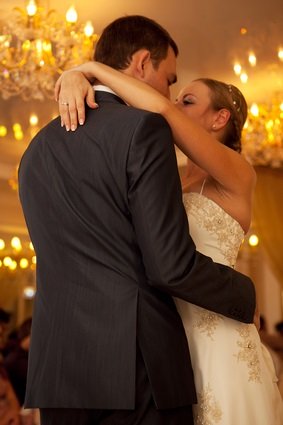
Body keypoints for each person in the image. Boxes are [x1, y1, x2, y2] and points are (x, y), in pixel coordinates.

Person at [18, 15, 257, 425]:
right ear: (143, 63)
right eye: (169, 79)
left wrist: (82, 70)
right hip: (136, 364)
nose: (169, 93)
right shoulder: (144, 131)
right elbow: (168, 265)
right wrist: (246, 294)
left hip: (58, 372)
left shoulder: (35, 153)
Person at [55, 60, 283, 423]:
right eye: (177, 100)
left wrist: (88, 69)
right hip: (167, 337)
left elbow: (159, 108)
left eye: (188, 102)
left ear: (219, 118)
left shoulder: (238, 173)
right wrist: (72, 78)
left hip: (220, 336)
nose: (174, 105)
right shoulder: (167, 177)